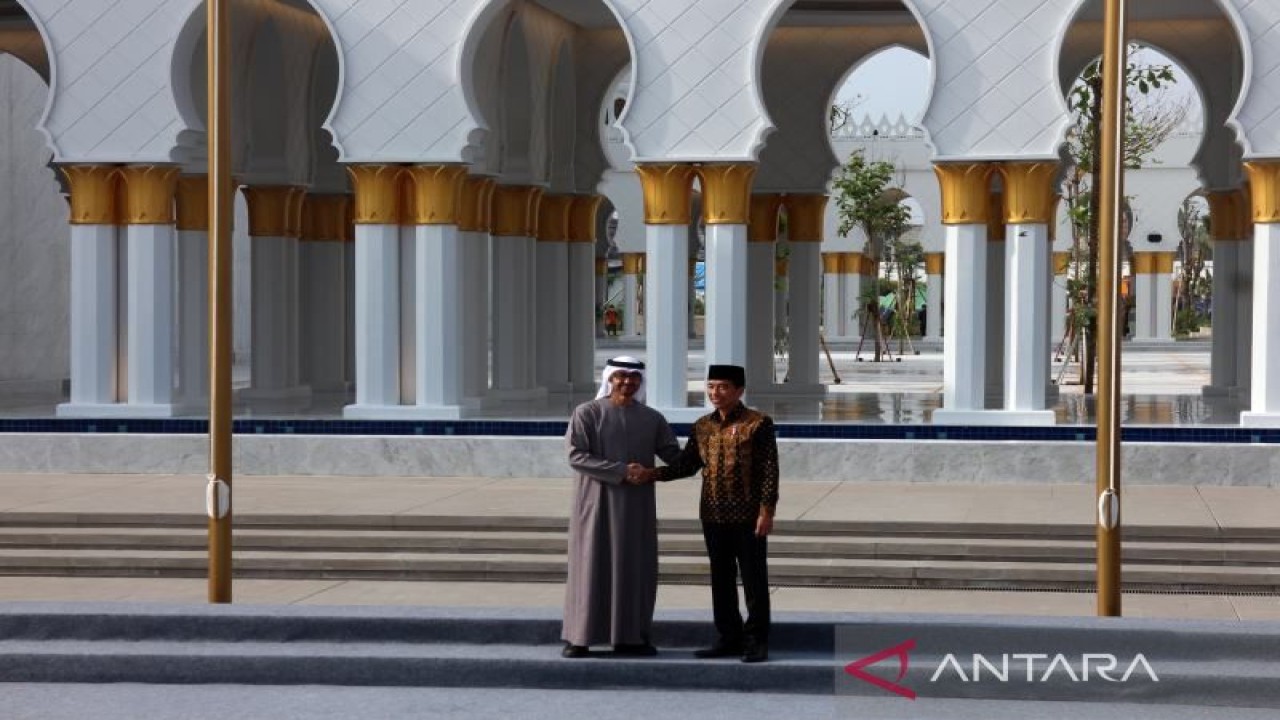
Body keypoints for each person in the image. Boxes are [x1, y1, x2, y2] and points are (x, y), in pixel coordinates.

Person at [647, 364, 779, 663]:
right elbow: (686, 465)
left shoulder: (758, 423)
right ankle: (728, 637)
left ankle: (756, 640)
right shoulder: (702, 426)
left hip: (748, 515)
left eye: (723, 387)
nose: (715, 393)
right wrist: (650, 474)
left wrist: (767, 510)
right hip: (712, 514)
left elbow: (769, 470)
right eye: (710, 386)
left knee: (754, 579)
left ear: (739, 390)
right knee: (721, 578)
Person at [561, 356, 681, 658]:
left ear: (641, 381)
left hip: (636, 508)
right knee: (590, 565)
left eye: (634, 377)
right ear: (610, 378)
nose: (627, 382)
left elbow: (674, 455)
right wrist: (622, 471)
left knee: (634, 568)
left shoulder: (652, 418)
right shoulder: (587, 413)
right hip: (596, 504)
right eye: (621, 376)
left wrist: (711, 449)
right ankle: (580, 637)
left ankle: (630, 637)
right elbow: (576, 456)